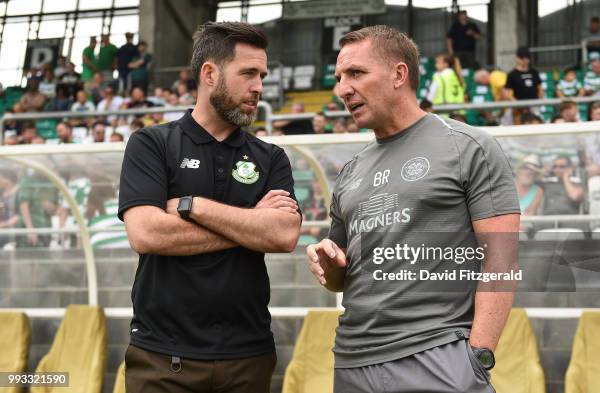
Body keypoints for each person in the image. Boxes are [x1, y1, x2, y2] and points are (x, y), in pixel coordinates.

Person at [307, 25, 520, 393]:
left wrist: (478, 357)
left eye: (356, 73)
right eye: (339, 78)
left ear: (399, 74)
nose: (342, 89)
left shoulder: (469, 146)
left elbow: (501, 261)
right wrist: (327, 264)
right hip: (353, 362)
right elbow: (342, 276)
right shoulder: (351, 172)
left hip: (438, 357)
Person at [118, 21, 301, 392]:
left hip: (248, 356)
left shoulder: (271, 157)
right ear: (209, 73)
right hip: (161, 358)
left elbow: (283, 234)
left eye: (262, 75)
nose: (259, 88)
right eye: (248, 73)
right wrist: (251, 226)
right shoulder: (151, 144)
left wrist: (193, 206)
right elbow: (147, 233)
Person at [503, 46, 543, 124]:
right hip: (518, 106)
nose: (524, 60)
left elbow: (540, 89)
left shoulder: (534, 72)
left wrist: (538, 101)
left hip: (533, 104)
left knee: (537, 121)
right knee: (507, 120)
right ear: (517, 58)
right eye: (522, 58)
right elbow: (507, 93)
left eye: (526, 58)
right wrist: (518, 104)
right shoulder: (512, 74)